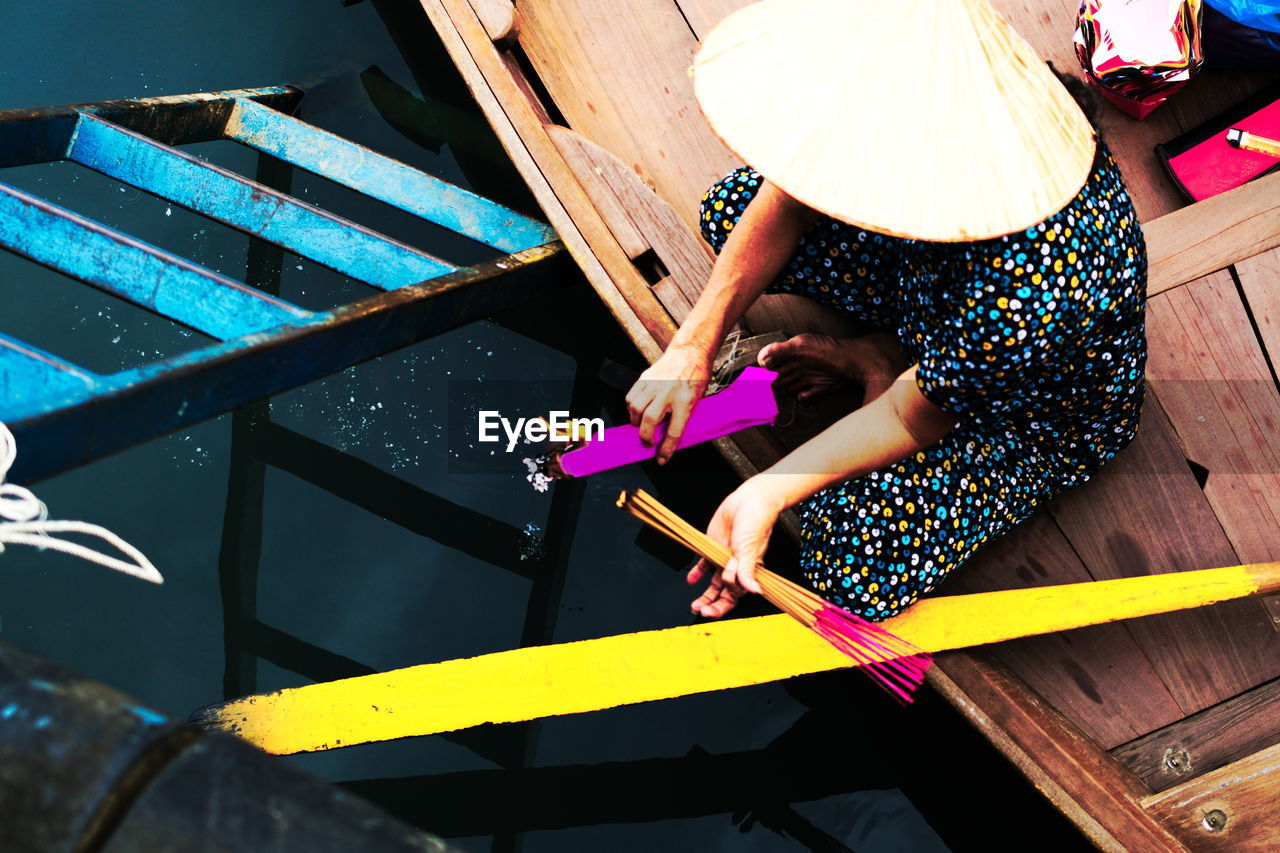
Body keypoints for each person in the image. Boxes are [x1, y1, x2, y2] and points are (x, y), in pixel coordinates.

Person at [625, 0, 1147, 621]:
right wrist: (693, 345)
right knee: (733, 209)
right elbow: (789, 195)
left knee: (849, 563)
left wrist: (765, 491)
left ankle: (892, 359)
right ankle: (889, 350)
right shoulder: (942, 82)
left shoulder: (1032, 291)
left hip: (1025, 404)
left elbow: (911, 417)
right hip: (932, 288)